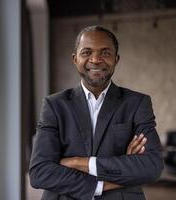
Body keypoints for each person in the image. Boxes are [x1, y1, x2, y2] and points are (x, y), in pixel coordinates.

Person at [29, 25, 163, 200]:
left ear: (116, 59)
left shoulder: (137, 103)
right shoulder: (54, 105)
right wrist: (105, 182)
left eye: (105, 53)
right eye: (86, 52)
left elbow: (152, 166)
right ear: (75, 59)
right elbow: (40, 172)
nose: (96, 59)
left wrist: (79, 163)